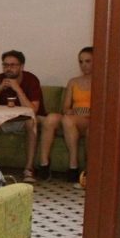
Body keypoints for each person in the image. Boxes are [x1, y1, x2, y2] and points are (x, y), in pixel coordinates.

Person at [0, 50, 50, 183]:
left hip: (25, 119)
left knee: (31, 122)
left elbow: (33, 110)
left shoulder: (31, 79)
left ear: (21, 66)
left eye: (13, 65)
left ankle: (29, 169)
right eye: (5, 65)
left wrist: (17, 89)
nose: (8, 68)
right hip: (4, 119)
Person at [37, 47, 92, 184]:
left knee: (68, 120)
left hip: (89, 121)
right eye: (81, 62)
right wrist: (70, 111)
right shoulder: (73, 82)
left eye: (88, 61)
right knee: (51, 118)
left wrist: (80, 112)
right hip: (72, 117)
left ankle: (73, 165)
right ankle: (44, 164)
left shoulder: (103, 81)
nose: (84, 65)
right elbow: (66, 107)